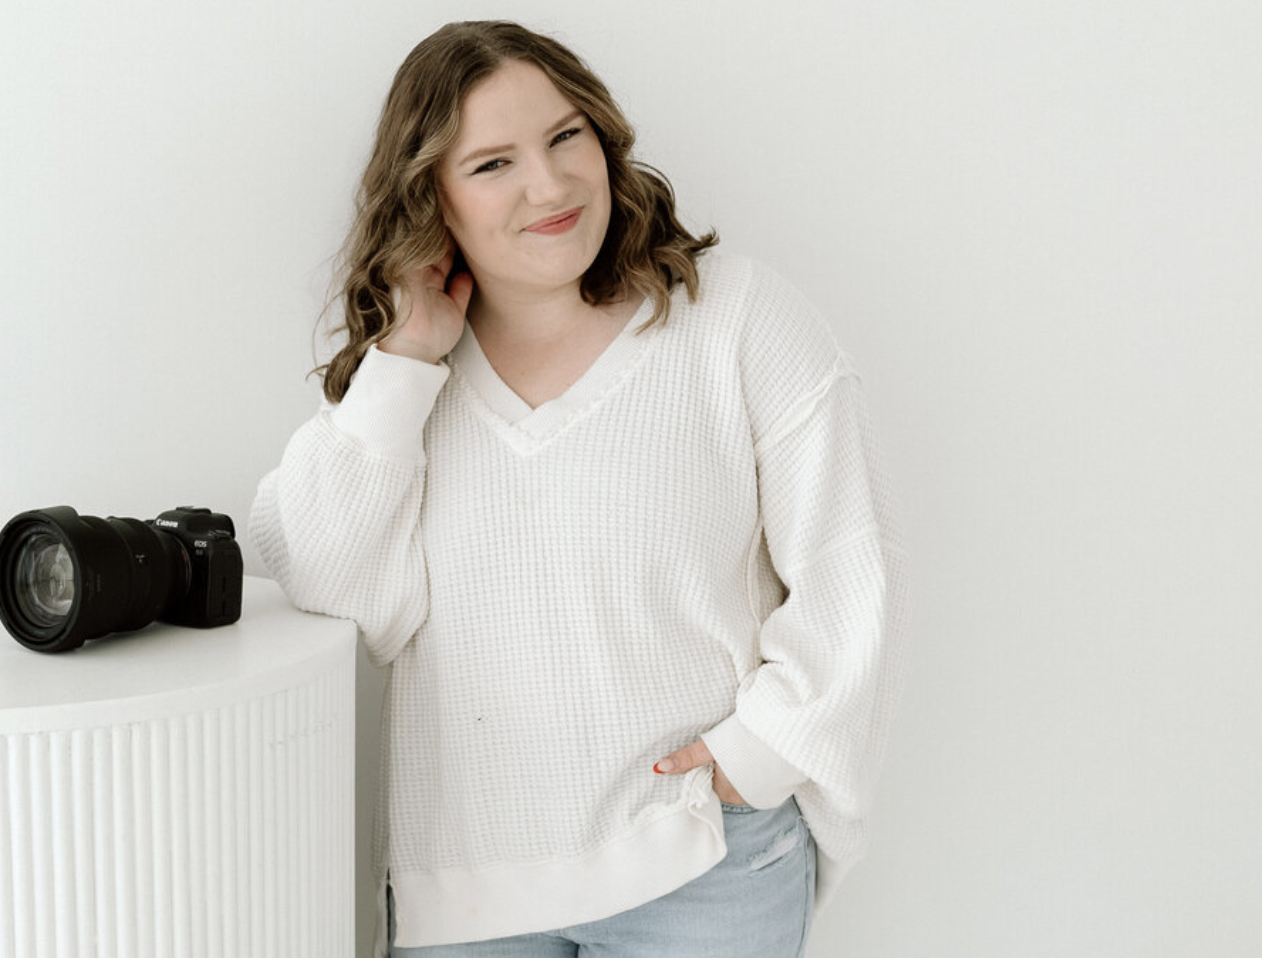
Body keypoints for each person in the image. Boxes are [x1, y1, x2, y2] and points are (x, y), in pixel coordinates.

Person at [251, 20, 907, 958]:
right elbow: (338, 603)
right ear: (430, 195)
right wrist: (403, 364)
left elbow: (851, 560)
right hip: (465, 895)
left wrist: (760, 757)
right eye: (493, 164)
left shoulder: (735, 318)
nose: (551, 185)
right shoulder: (406, 382)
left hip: (705, 863)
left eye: (566, 137)